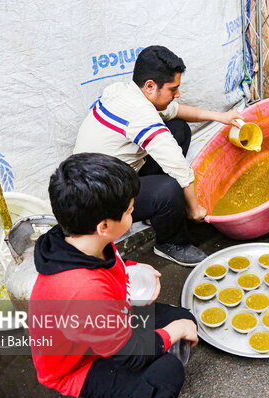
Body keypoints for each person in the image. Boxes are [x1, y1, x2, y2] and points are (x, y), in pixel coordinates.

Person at [30, 153, 199, 398]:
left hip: (104, 326)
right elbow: (129, 352)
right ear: (104, 226)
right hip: (79, 364)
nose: (133, 215)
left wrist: (131, 269)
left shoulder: (78, 237)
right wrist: (176, 330)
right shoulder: (83, 290)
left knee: (183, 317)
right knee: (165, 374)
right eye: (130, 211)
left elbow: (110, 265)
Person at [74, 45, 243, 267]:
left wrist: (221, 117)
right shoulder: (140, 113)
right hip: (99, 199)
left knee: (178, 129)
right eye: (173, 89)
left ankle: (158, 212)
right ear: (151, 86)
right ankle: (171, 243)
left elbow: (175, 111)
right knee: (169, 188)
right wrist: (194, 209)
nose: (177, 94)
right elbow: (178, 167)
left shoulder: (126, 92)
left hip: (115, 174)